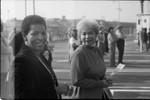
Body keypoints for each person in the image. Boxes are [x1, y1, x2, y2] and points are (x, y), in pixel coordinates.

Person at [7, 15, 73, 99]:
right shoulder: (21, 61)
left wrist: (58, 86)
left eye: (43, 33)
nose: (41, 38)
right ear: (25, 36)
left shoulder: (39, 55)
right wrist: (55, 89)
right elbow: (21, 96)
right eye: (34, 34)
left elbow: (39, 84)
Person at [70, 18, 113, 99]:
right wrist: (101, 83)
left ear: (96, 35)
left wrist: (105, 79)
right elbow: (76, 81)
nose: (87, 37)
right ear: (80, 36)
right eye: (84, 34)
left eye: (90, 33)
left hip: (98, 94)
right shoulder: (79, 54)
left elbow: (98, 73)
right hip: (84, 95)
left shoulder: (98, 51)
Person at [1, 20, 14, 98]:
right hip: (2, 66)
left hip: (5, 65)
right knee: (2, 85)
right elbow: (4, 49)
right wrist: (10, 48)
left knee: (4, 85)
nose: (2, 27)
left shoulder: (1, 36)